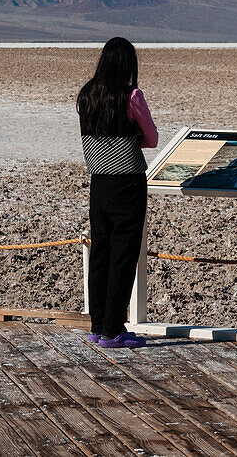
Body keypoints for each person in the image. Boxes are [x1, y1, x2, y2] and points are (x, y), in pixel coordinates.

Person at [77, 37, 158, 348]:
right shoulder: (131, 96)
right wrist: (133, 133)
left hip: (99, 183)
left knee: (101, 252)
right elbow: (151, 138)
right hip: (128, 182)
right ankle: (113, 330)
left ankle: (98, 325)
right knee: (123, 256)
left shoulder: (87, 96)